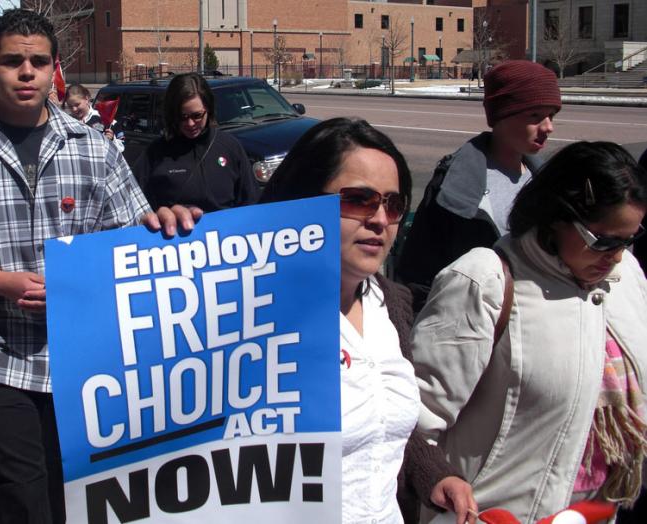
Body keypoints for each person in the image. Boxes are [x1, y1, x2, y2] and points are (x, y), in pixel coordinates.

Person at [0, 9, 198, 524]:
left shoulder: (95, 150)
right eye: (13, 61)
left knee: (77, 495)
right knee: (16, 499)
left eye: (38, 61)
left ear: (53, 67)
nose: (26, 72)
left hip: (83, 359)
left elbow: (132, 238)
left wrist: (167, 221)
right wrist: (1, 284)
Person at [411, 142, 647, 523]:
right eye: (602, 241)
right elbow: (418, 423)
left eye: (629, 239)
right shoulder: (484, 281)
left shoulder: (626, 276)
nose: (616, 255)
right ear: (555, 217)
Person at [260, 117, 476, 524]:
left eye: (393, 204)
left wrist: (433, 474)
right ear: (304, 201)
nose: (379, 219)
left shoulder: (391, 304)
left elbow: (379, 422)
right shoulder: (251, 309)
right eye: (359, 199)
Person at [395, 60, 562, 312]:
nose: (548, 126)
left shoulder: (549, 181)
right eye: (535, 116)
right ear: (500, 116)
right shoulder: (454, 183)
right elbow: (419, 273)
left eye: (551, 115)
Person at [133, 72, 259, 212]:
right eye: (182, 117)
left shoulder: (230, 147)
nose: (190, 123)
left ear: (208, 109)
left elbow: (251, 203)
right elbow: (133, 207)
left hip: (226, 233)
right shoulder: (155, 153)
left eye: (197, 116)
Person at [63, 83, 124, 152]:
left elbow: (121, 149)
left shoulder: (106, 119)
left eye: (77, 104)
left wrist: (112, 140)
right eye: (70, 106)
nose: (74, 109)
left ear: (86, 99)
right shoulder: (66, 122)